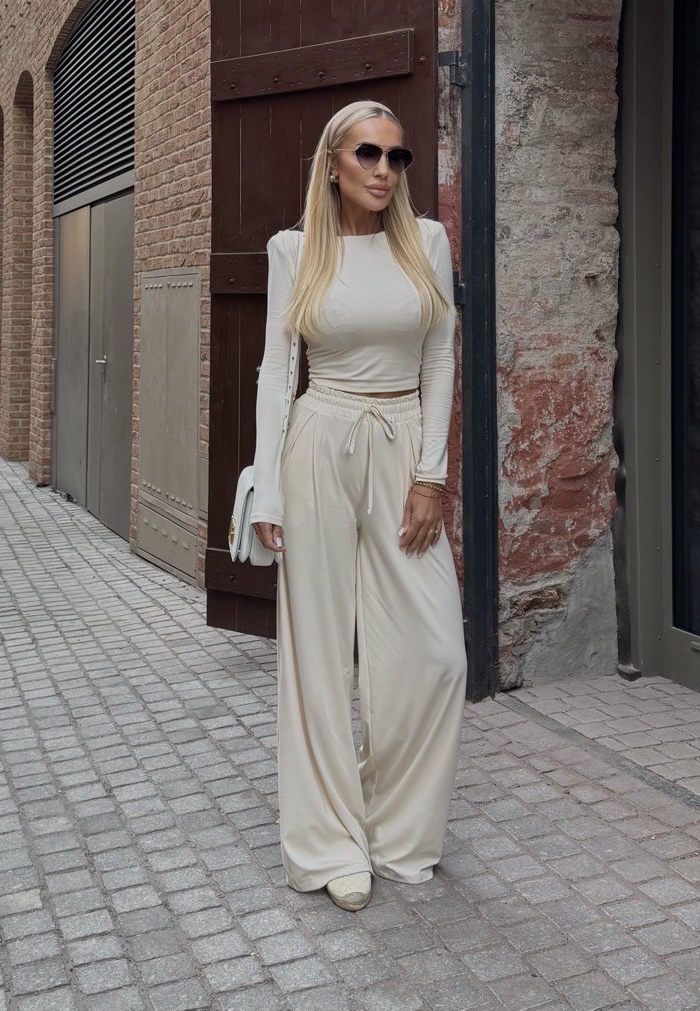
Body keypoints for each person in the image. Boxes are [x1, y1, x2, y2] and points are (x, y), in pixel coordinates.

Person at [249, 99, 468, 911]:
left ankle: (396, 829)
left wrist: (430, 476)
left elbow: (440, 356)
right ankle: (329, 843)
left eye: (396, 156)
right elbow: (278, 371)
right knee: (315, 655)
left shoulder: (427, 243)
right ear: (333, 163)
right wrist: (267, 484)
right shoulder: (293, 251)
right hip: (318, 442)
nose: (384, 170)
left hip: (401, 443)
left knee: (437, 655)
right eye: (367, 154)